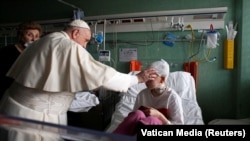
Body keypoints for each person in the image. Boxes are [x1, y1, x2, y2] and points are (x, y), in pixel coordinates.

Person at [0, 19, 157, 126]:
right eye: (86, 40)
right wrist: (137, 78)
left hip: (20, 110)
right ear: (75, 34)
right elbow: (102, 75)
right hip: (32, 116)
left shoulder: (47, 40)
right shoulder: (67, 45)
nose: (85, 45)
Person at [112, 59, 184, 136]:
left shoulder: (172, 97)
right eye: (146, 77)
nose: (146, 81)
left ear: (162, 79)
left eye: (150, 78)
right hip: (141, 126)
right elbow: (134, 119)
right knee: (137, 113)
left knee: (152, 119)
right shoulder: (142, 95)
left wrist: (159, 116)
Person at [0, 21, 42, 99]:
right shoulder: (6, 51)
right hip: (6, 92)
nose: (33, 39)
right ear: (21, 36)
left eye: (36, 36)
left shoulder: (36, 54)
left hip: (24, 93)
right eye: (29, 35)